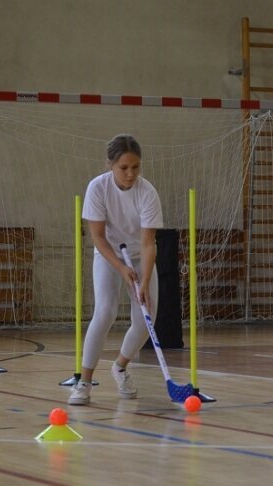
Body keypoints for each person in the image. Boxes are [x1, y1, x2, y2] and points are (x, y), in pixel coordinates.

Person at [68, 134, 164, 405]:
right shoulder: (97, 188)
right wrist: (122, 269)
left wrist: (143, 281)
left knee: (146, 318)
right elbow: (97, 236)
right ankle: (84, 382)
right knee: (106, 311)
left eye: (136, 167)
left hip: (139, 255)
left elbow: (148, 244)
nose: (130, 174)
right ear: (110, 165)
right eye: (124, 168)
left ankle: (120, 366)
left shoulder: (148, 193)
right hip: (109, 255)